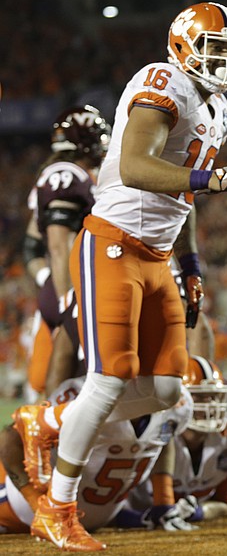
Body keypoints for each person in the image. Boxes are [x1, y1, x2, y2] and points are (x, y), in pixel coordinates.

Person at [17, 1, 227, 552]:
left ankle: (51, 418)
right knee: (110, 379)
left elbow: (182, 195)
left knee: (165, 390)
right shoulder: (164, 81)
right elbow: (135, 167)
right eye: (215, 48)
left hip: (158, 255)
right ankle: (56, 510)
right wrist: (217, 177)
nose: (225, 61)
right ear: (182, 46)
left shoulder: (217, 106)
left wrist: (191, 264)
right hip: (113, 244)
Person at [0, 375, 196, 538]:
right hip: (13, 509)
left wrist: (164, 501)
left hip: (93, 522)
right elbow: (9, 439)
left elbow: (162, 437)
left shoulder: (176, 402)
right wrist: (40, 508)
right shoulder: (80, 394)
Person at [125, 356, 227, 522]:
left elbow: (222, 502)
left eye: (213, 397)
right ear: (179, 400)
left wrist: (199, 512)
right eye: (199, 397)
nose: (210, 406)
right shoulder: (155, 433)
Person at [22, 105, 111, 397]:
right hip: (75, 287)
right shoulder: (65, 174)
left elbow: (32, 245)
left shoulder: (67, 174)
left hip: (65, 284)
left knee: (70, 385)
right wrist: (66, 300)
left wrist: (45, 280)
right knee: (84, 383)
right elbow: (59, 247)